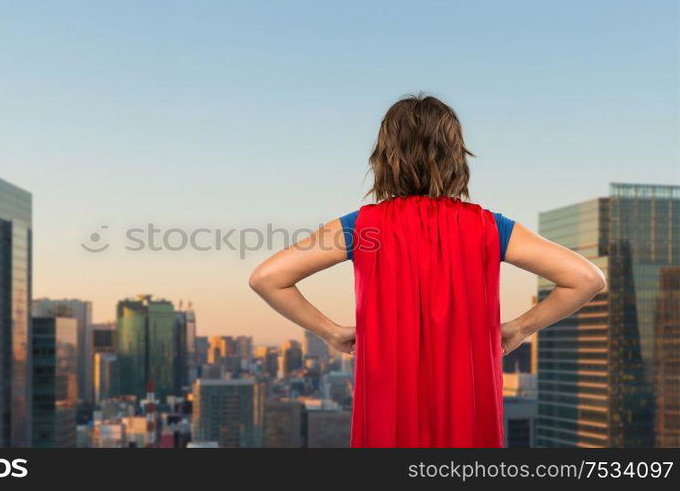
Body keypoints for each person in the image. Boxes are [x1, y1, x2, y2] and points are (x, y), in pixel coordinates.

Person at [248, 94, 605, 448]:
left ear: (385, 158)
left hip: (387, 407)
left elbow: (267, 278)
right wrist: (519, 328)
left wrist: (329, 332)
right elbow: (586, 278)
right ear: (455, 157)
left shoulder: (363, 227)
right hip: (469, 411)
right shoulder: (489, 228)